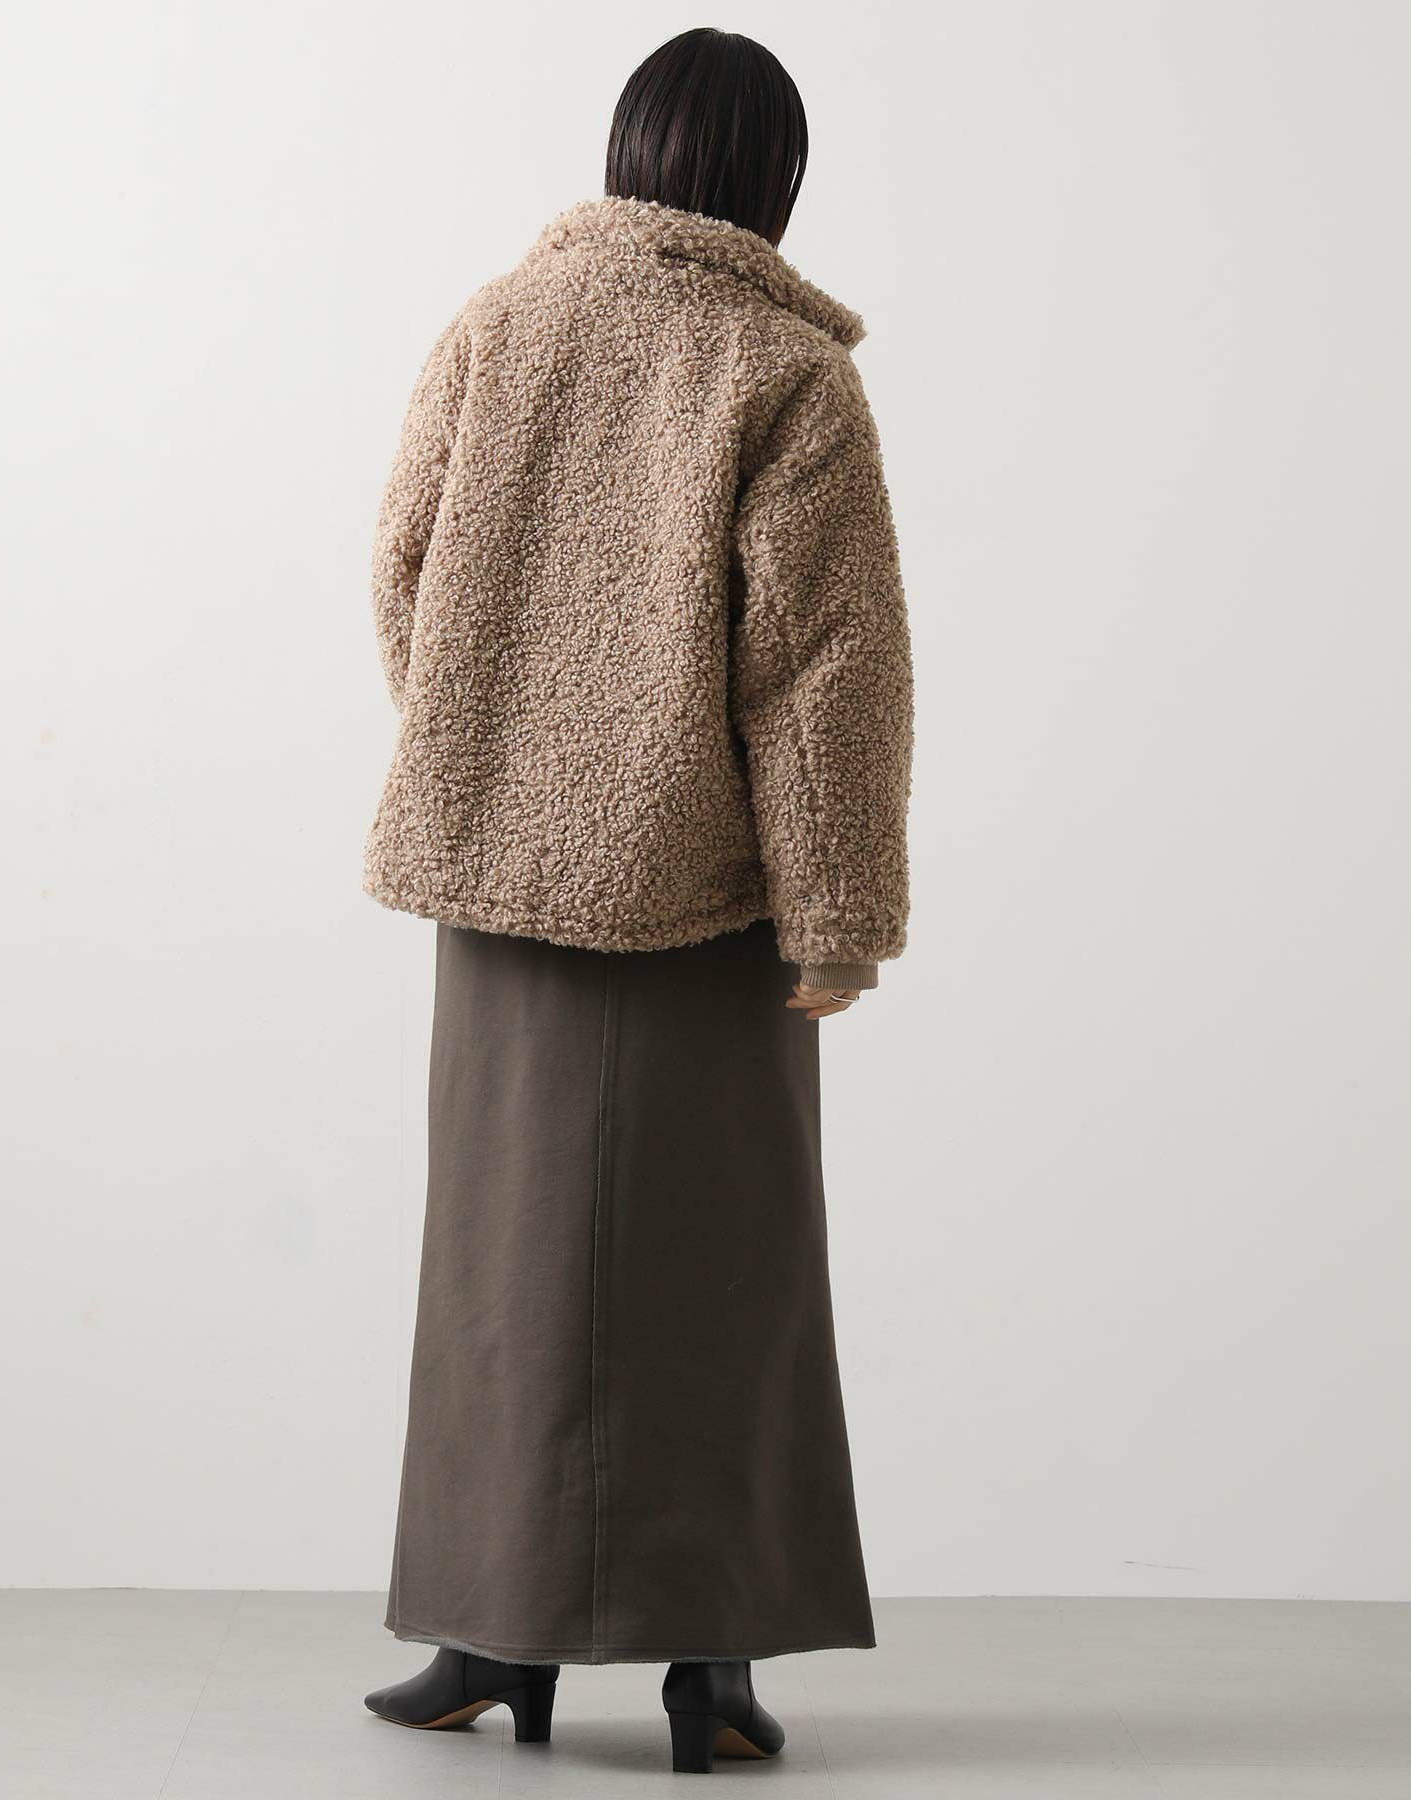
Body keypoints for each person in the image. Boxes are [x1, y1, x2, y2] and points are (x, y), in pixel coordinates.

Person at [360, 26, 912, 1776]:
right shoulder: (785, 371)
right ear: (773, 183)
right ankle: (711, 1674)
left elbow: (405, 569)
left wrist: (495, 757)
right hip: (709, 901)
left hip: (498, 888)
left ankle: (485, 1641)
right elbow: (823, 676)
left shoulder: (498, 325)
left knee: (501, 1268)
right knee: (722, 1274)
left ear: (626, 151)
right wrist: (837, 919)